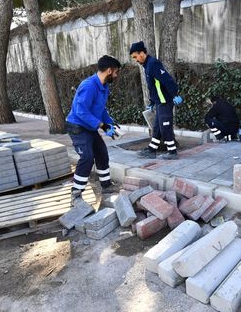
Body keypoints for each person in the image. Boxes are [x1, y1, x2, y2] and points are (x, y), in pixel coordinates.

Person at [65, 55, 121, 204]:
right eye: (116, 72)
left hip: (90, 126)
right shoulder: (89, 85)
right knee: (87, 157)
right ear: (109, 70)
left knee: (101, 153)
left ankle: (106, 185)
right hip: (77, 126)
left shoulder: (104, 87)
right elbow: (81, 111)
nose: (116, 75)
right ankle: (76, 192)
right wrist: (102, 125)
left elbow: (100, 109)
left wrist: (110, 123)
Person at [129, 41, 183, 160]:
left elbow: (166, 79)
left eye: (135, 57)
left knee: (165, 126)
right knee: (158, 127)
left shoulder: (153, 63)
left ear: (142, 53)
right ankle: (152, 150)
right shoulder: (147, 66)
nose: (135, 60)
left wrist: (175, 94)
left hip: (165, 101)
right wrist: (152, 102)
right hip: (159, 101)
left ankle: (172, 152)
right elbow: (153, 87)